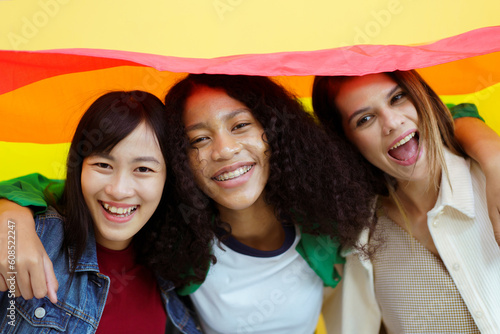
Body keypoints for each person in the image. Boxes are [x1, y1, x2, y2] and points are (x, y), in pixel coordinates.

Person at [1, 74, 379, 333]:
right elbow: (54, 189)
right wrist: (10, 215)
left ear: (273, 131)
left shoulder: (328, 218)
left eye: (240, 125)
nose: (225, 149)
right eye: (198, 139)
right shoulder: (177, 244)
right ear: (182, 165)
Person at [312, 71, 500, 333]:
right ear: (346, 144)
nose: (392, 122)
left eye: (398, 98)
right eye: (365, 119)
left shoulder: (491, 178)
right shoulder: (358, 239)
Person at [0, 91, 203, 333]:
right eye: (103, 165)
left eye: (143, 169)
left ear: (169, 179)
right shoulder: (32, 240)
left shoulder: (172, 267)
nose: (118, 190)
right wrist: (11, 218)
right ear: (79, 168)